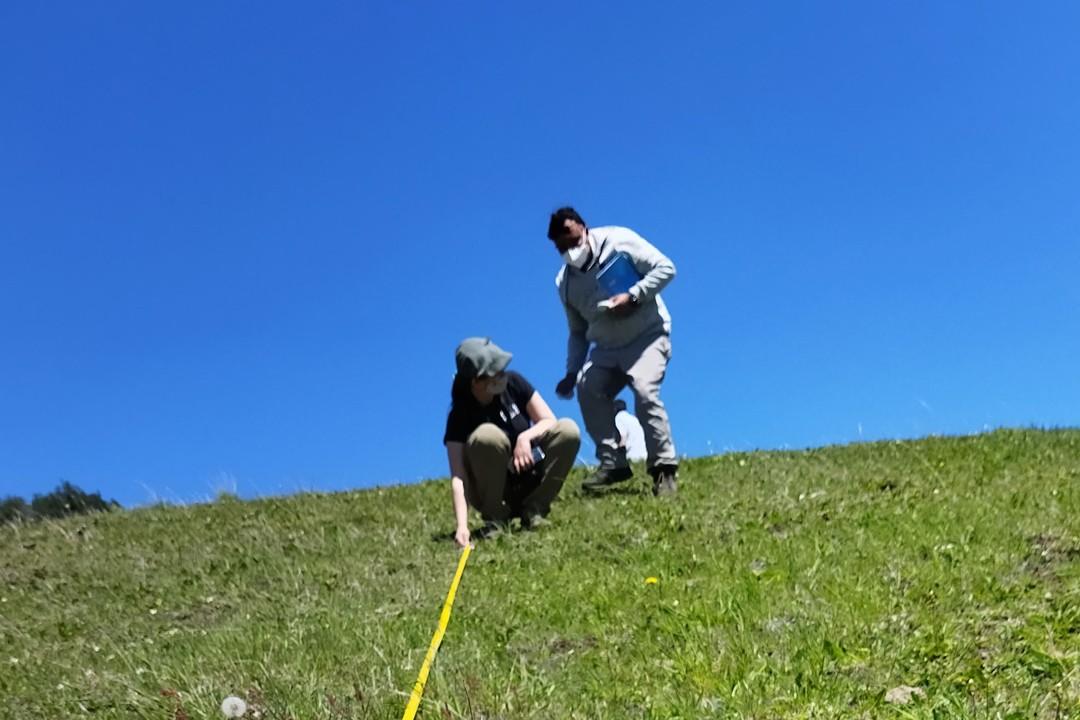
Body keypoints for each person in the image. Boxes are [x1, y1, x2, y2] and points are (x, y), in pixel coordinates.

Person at [548, 206, 679, 496]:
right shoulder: (565, 284)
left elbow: (666, 268)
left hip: (647, 336)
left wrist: (634, 296)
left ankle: (664, 470)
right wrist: (571, 372)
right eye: (560, 246)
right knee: (588, 387)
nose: (569, 249)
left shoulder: (619, 240)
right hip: (607, 347)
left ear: (584, 227)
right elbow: (578, 332)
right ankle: (613, 461)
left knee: (645, 394)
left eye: (571, 238)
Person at [444, 337, 581, 547]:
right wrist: (462, 526)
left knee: (568, 430)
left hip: (529, 474)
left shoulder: (514, 382)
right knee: (487, 436)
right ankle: (496, 518)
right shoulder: (459, 416)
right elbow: (458, 478)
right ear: (476, 381)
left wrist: (525, 438)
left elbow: (549, 420)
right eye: (495, 373)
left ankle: (535, 508)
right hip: (492, 491)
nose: (503, 376)